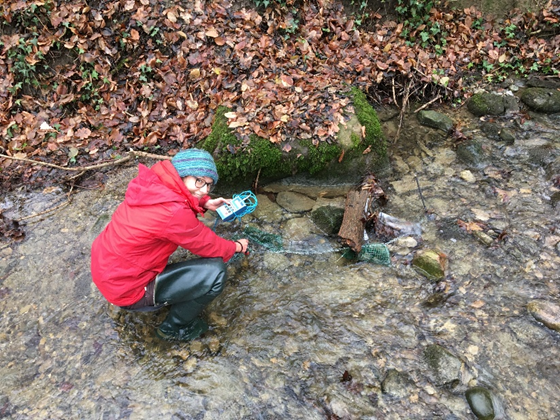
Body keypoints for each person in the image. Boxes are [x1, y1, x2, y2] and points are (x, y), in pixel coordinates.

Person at [90, 148, 249, 342]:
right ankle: (172, 328)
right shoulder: (173, 213)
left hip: (108, 272)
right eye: (199, 181)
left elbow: (179, 197)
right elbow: (210, 245)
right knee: (216, 272)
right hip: (128, 289)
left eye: (209, 185)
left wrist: (204, 202)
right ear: (182, 174)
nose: (205, 190)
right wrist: (237, 247)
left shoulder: (152, 183)